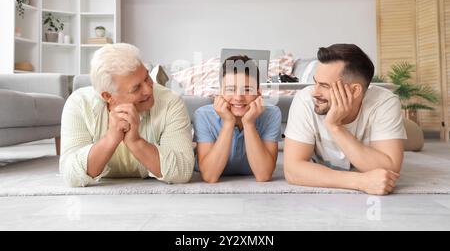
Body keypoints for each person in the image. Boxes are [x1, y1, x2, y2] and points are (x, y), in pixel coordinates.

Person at [60, 43, 194, 187]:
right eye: (136, 88)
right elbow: (71, 175)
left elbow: (182, 171)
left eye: (147, 78)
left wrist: (135, 142)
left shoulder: (170, 102)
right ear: (107, 96)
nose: (149, 90)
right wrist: (111, 138)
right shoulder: (80, 104)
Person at [284, 44, 405, 195]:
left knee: (415, 140)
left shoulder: (385, 102)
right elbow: (292, 170)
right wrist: (360, 181)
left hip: (376, 119)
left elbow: (389, 169)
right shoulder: (305, 99)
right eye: (315, 82)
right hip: (368, 134)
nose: (314, 92)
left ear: (354, 90)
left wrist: (335, 126)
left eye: (324, 85)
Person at [193, 55, 282, 183]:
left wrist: (249, 123)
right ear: (220, 92)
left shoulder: (272, 114)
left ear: (258, 93)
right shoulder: (203, 115)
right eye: (230, 89)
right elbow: (209, 176)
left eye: (247, 89)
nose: (238, 97)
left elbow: (263, 175)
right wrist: (229, 123)